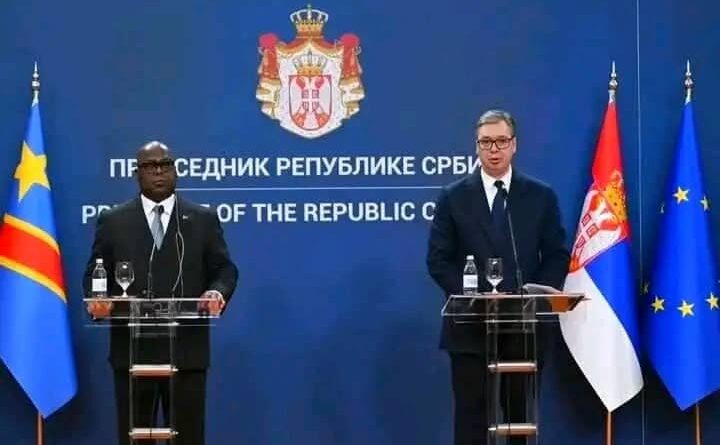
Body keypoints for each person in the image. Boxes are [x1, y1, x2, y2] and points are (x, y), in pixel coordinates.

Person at [426, 110, 569, 445]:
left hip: (524, 330)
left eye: (501, 141)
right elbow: (438, 260)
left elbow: (556, 255)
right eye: (486, 142)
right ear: (476, 146)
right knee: (471, 422)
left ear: (514, 145)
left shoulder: (540, 196)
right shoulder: (453, 197)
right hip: (470, 330)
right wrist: (473, 296)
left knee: (519, 422)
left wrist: (532, 296)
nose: (494, 149)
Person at [84, 141, 238, 445]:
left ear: (175, 171)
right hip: (132, 352)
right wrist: (98, 300)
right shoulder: (113, 221)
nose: (159, 172)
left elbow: (224, 270)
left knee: (188, 439)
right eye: (150, 166)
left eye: (165, 165)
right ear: (136, 173)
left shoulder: (202, 219)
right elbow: (95, 273)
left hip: (186, 351)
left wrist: (216, 292)